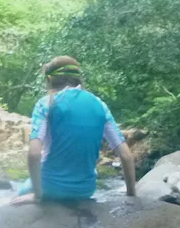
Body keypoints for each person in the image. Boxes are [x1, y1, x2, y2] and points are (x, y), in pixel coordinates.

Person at [11, 56, 136, 204]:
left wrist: (38, 195)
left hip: (50, 188)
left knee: (16, 198)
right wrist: (132, 196)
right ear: (78, 79)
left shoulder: (46, 103)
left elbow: (34, 153)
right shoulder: (99, 104)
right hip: (85, 190)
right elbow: (126, 156)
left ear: (49, 79)